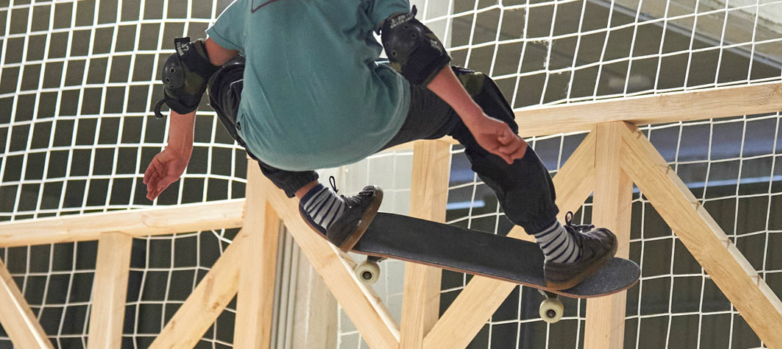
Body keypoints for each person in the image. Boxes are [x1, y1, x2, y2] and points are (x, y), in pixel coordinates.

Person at [143, 0, 615, 290]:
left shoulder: (247, 5)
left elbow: (189, 67)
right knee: (474, 92)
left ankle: (318, 204)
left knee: (228, 73)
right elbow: (407, 44)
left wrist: (179, 148)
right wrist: (474, 117)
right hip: (369, 119)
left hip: (276, 147)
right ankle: (559, 248)